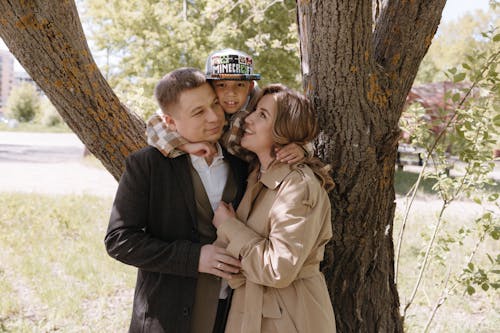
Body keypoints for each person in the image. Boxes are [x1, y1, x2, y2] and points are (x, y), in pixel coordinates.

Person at [105, 67, 248, 333]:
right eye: (198, 112)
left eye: (214, 104)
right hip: (167, 315)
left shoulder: (242, 161)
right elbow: (119, 240)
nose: (214, 116)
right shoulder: (147, 165)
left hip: (232, 314)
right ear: (170, 123)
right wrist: (194, 258)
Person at [212, 84, 337, 333]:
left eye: (262, 115)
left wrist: (228, 226)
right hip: (249, 310)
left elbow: (278, 268)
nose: (248, 118)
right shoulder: (255, 173)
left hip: (290, 316)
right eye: (255, 111)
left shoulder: (298, 187)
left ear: (284, 130)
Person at [146, 48, 310, 164]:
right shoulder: (204, 104)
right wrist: (185, 145)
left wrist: (303, 149)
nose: (230, 93)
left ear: (250, 86)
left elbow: (293, 123)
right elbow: (156, 122)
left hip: (259, 168)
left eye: (239, 85)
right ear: (210, 85)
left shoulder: (260, 104)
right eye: (222, 85)